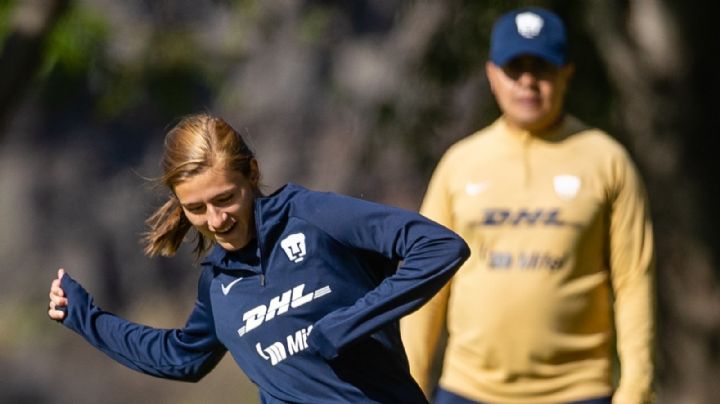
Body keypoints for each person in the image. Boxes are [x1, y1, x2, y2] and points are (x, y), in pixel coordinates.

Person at [47, 113, 470, 403]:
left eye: (225, 199)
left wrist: (346, 325)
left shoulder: (314, 217)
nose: (215, 220)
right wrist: (84, 316)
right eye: (196, 208)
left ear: (251, 173)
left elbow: (438, 247)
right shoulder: (217, 283)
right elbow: (181, 357)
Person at [400, 7, 655, 404]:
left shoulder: (607, 161)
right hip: (468, 390)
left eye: (543, 69)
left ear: (566, 72)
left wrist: (636, 387)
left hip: (579, 391)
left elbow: (634, 280)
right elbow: (426, 281)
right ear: (491, 74)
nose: (528, 83)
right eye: (514, 69)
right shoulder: (460, 163)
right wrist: (409, 382)